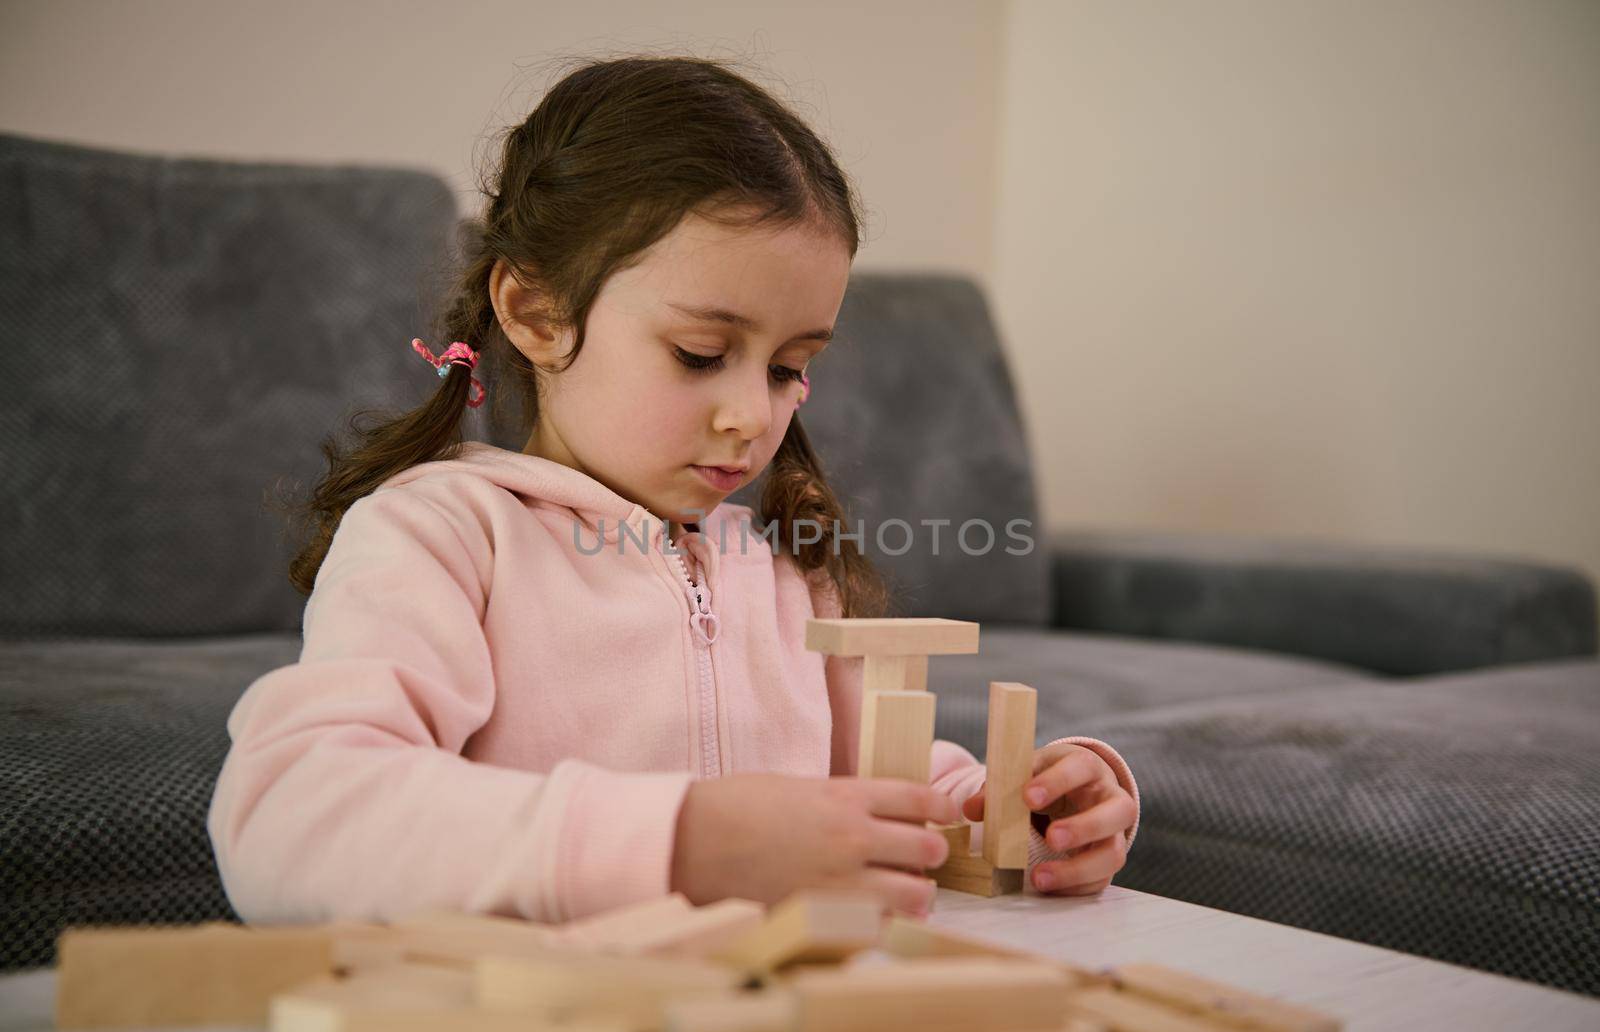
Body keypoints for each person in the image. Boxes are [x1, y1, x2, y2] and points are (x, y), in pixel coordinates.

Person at [208, 53, 1140, 927]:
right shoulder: (441, 536)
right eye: (701, 354)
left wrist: (1013, 807)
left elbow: (882, 781)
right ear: (535, 310)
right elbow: (292, 814)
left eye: (788, 367)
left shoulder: (783, 570)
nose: (751, 416)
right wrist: (682, 841)